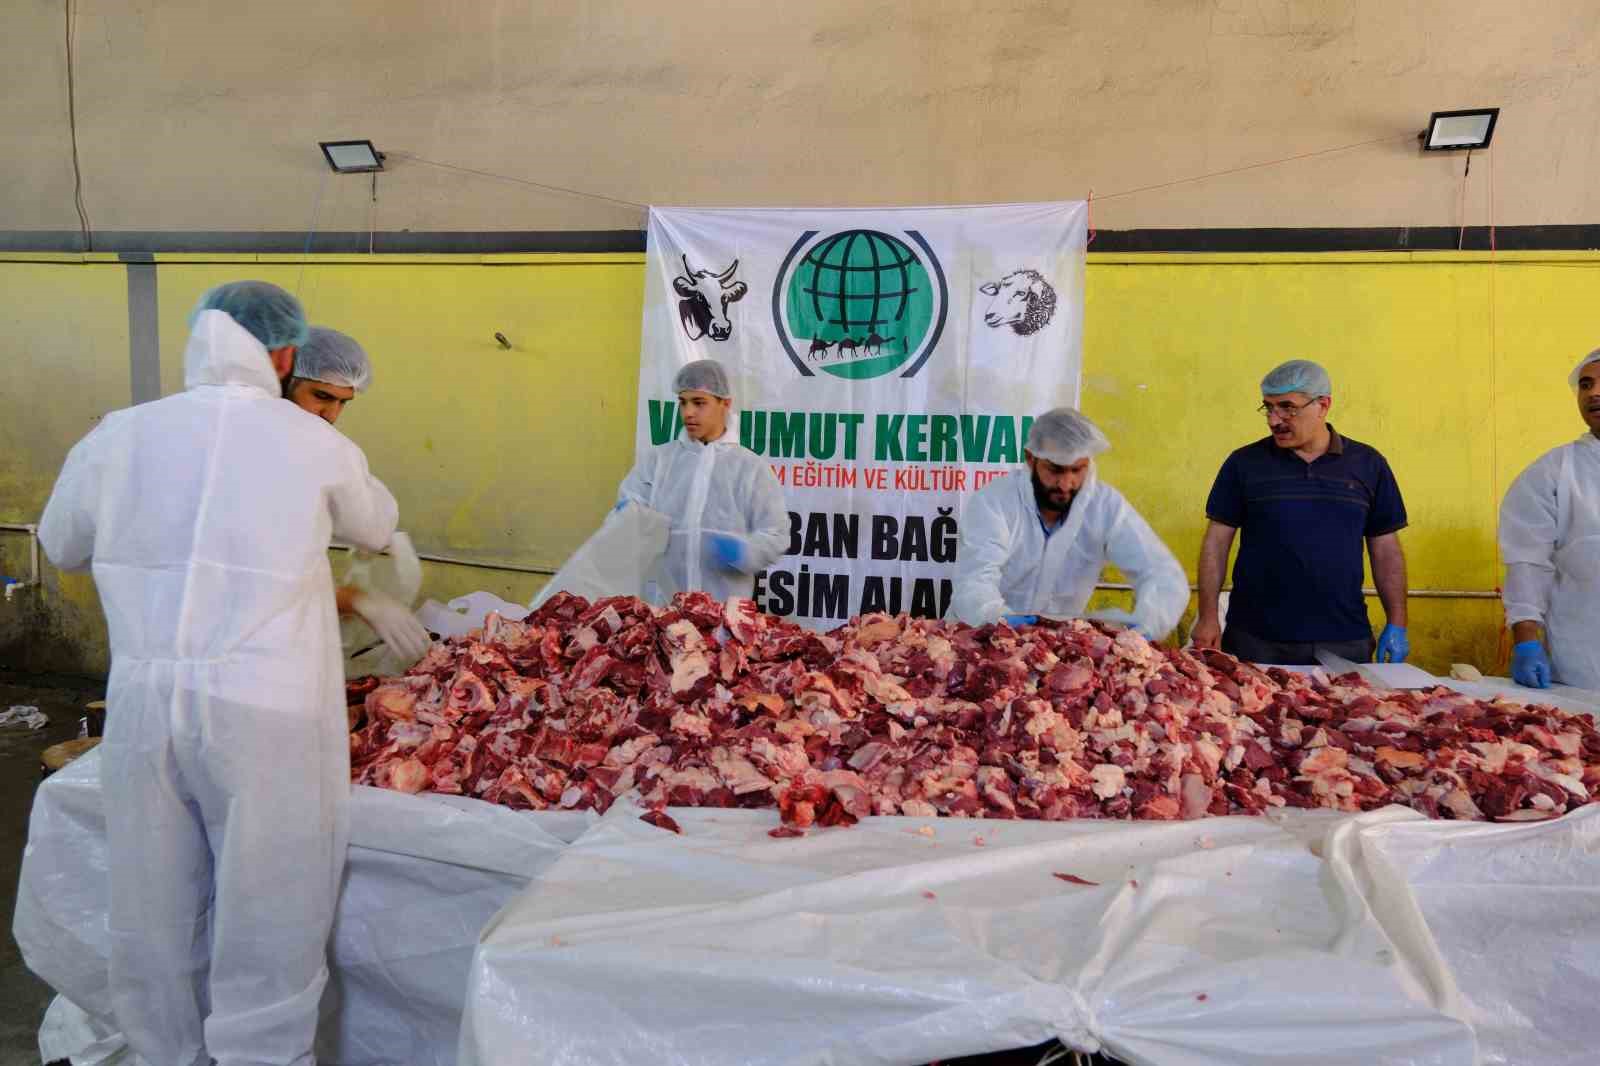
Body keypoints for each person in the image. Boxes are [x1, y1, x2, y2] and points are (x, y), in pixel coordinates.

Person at [38, 281, 405, 1066]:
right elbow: (376, 524)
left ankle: (163, 1052)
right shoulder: (312, 441)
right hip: (265, 710)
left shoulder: (119, 434)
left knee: (153, 903)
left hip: (145, 708)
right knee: (272, 902)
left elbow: (60, 543)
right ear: (287, 352)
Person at [1193, 359, 1410, 665]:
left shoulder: (1368, 464)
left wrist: (1397, 622)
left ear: (1323, 405)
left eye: (1287, 408)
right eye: (1268, 407)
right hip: (1255, 638)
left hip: (1344, 637)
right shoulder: (1244, 464)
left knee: (1347, 699)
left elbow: (1386, 550)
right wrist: (1207, 616)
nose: (1274, 420)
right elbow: (1216, 544)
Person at [948, 406, 1188, 638]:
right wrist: (998, 620)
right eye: (1055, 470)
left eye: (1077, 470)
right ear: (1031, 458)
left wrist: (1146, 625)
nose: (1065, 484)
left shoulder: (1105, 506)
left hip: (1059, 649)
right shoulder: (995, 501)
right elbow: (974, 580)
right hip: (978, 638)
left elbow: (1161, 573)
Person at [286, 325, 429, 660]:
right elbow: (246, 575)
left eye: (343, 403)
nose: (331, 415)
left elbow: (372, 526)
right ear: (284, 378)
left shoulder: (319, 448)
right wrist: (351, 599)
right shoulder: (243, 446)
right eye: (321, 396)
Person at [616, 358, 787, 602]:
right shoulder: (658, 461)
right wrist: (627, 516)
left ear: (725, 404)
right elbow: (629, 508)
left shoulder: (750, 469)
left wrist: (744, 552)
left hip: (723, 613)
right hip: (662, 610)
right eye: (683, 402)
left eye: (699, 403)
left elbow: (776, 535)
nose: (688, 412)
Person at [1498, 347, 1600, 690]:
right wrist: (1526, 641)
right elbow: (1527, 561)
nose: (1593, 393)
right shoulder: (1554, 471)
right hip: (1584, 660)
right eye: (1585, 385)